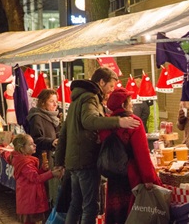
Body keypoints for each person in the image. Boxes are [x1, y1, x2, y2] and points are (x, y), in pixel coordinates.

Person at [54, 67, 140, 224]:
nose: (111, 91)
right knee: (90, 207)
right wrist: (119, 121)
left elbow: (64, 133)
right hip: (86, 160)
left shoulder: (76, 99)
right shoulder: (90, 98)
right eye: (111, 86)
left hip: (74, 162)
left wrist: (59, 162)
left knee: (76, 204)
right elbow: (89, 120)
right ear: (101, 82)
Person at [99, 87, 162, 224]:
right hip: (132, 177)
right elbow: (142, 155)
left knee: (117, 216)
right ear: (123, 104)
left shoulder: (106, 123)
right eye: (130, 100)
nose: (132, 103)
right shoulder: (134, 122)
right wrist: (150, 179)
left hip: (113, 176)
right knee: (132, 215)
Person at [9, 133, 62, 224]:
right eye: (31, 144)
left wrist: (42, 169)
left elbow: (33, 176)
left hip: (30, 200)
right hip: (29, 202)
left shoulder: (27, 161)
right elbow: (35, 178)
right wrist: (52, 173)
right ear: (22, 149)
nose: (35, 145)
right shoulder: (24, 163)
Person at [26, 89, 60, 206]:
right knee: (44, 193)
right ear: (43, 103)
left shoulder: (53, 118)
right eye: (52, 101)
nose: (55, 104)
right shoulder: (37, 117)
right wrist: (52, 142)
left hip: (50, 159)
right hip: (41, 160)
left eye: (56, 101)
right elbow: (35, 140)